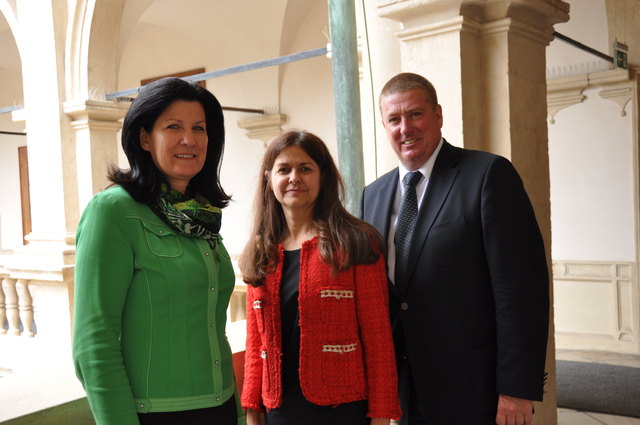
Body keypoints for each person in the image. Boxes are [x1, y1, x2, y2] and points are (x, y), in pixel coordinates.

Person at [360, 72, 550, 425]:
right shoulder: (372, 195)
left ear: (438, 115)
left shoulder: (487, 175)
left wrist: (516, 388)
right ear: (385, 127)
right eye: (394, 120)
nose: (406, 128)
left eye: (416, 114)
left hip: (474, 389)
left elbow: (521, 291)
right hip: (403, 391)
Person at [73, 77, 245, 425]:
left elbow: (214, 328)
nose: (190, 139)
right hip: (156, 415)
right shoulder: (113, 211)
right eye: (173, 127)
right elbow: (94, 343)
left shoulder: (203, 216)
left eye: (199, 127)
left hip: (221, 407)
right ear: (144, 138)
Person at [239, 130, 402, 425]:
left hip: (342, 412)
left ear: (323, 176)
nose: (294, 178)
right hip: (280, 412)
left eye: (305, 168)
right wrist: (252, 411)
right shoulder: (261, 251)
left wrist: (381, 416)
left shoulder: (356, 242)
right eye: (284, 169)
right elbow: (255, 346)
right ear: (269, 178)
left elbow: (378, 339)